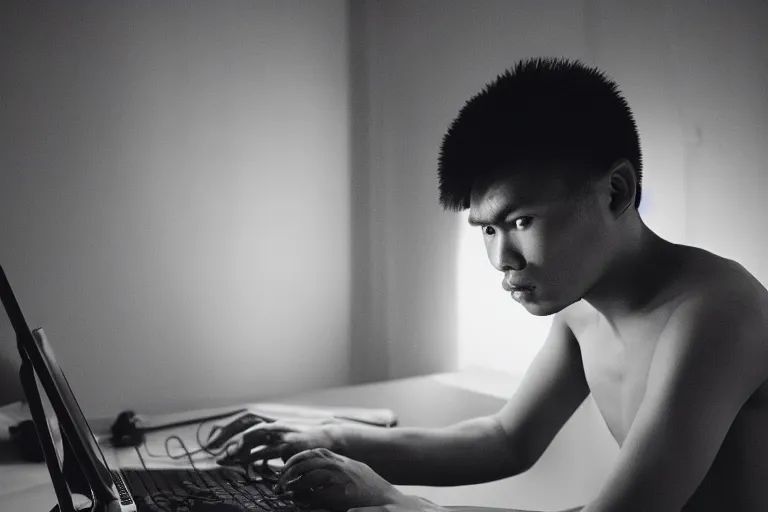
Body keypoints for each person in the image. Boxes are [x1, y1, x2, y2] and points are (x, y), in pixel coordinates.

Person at [219, 57, 768, 512]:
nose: (502, 259)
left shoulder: (715, 314)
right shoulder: (582, 310)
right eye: (486, 229)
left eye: (521, 220)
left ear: (616, 191)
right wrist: (331, 439)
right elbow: (507, 440)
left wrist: (399, 504)